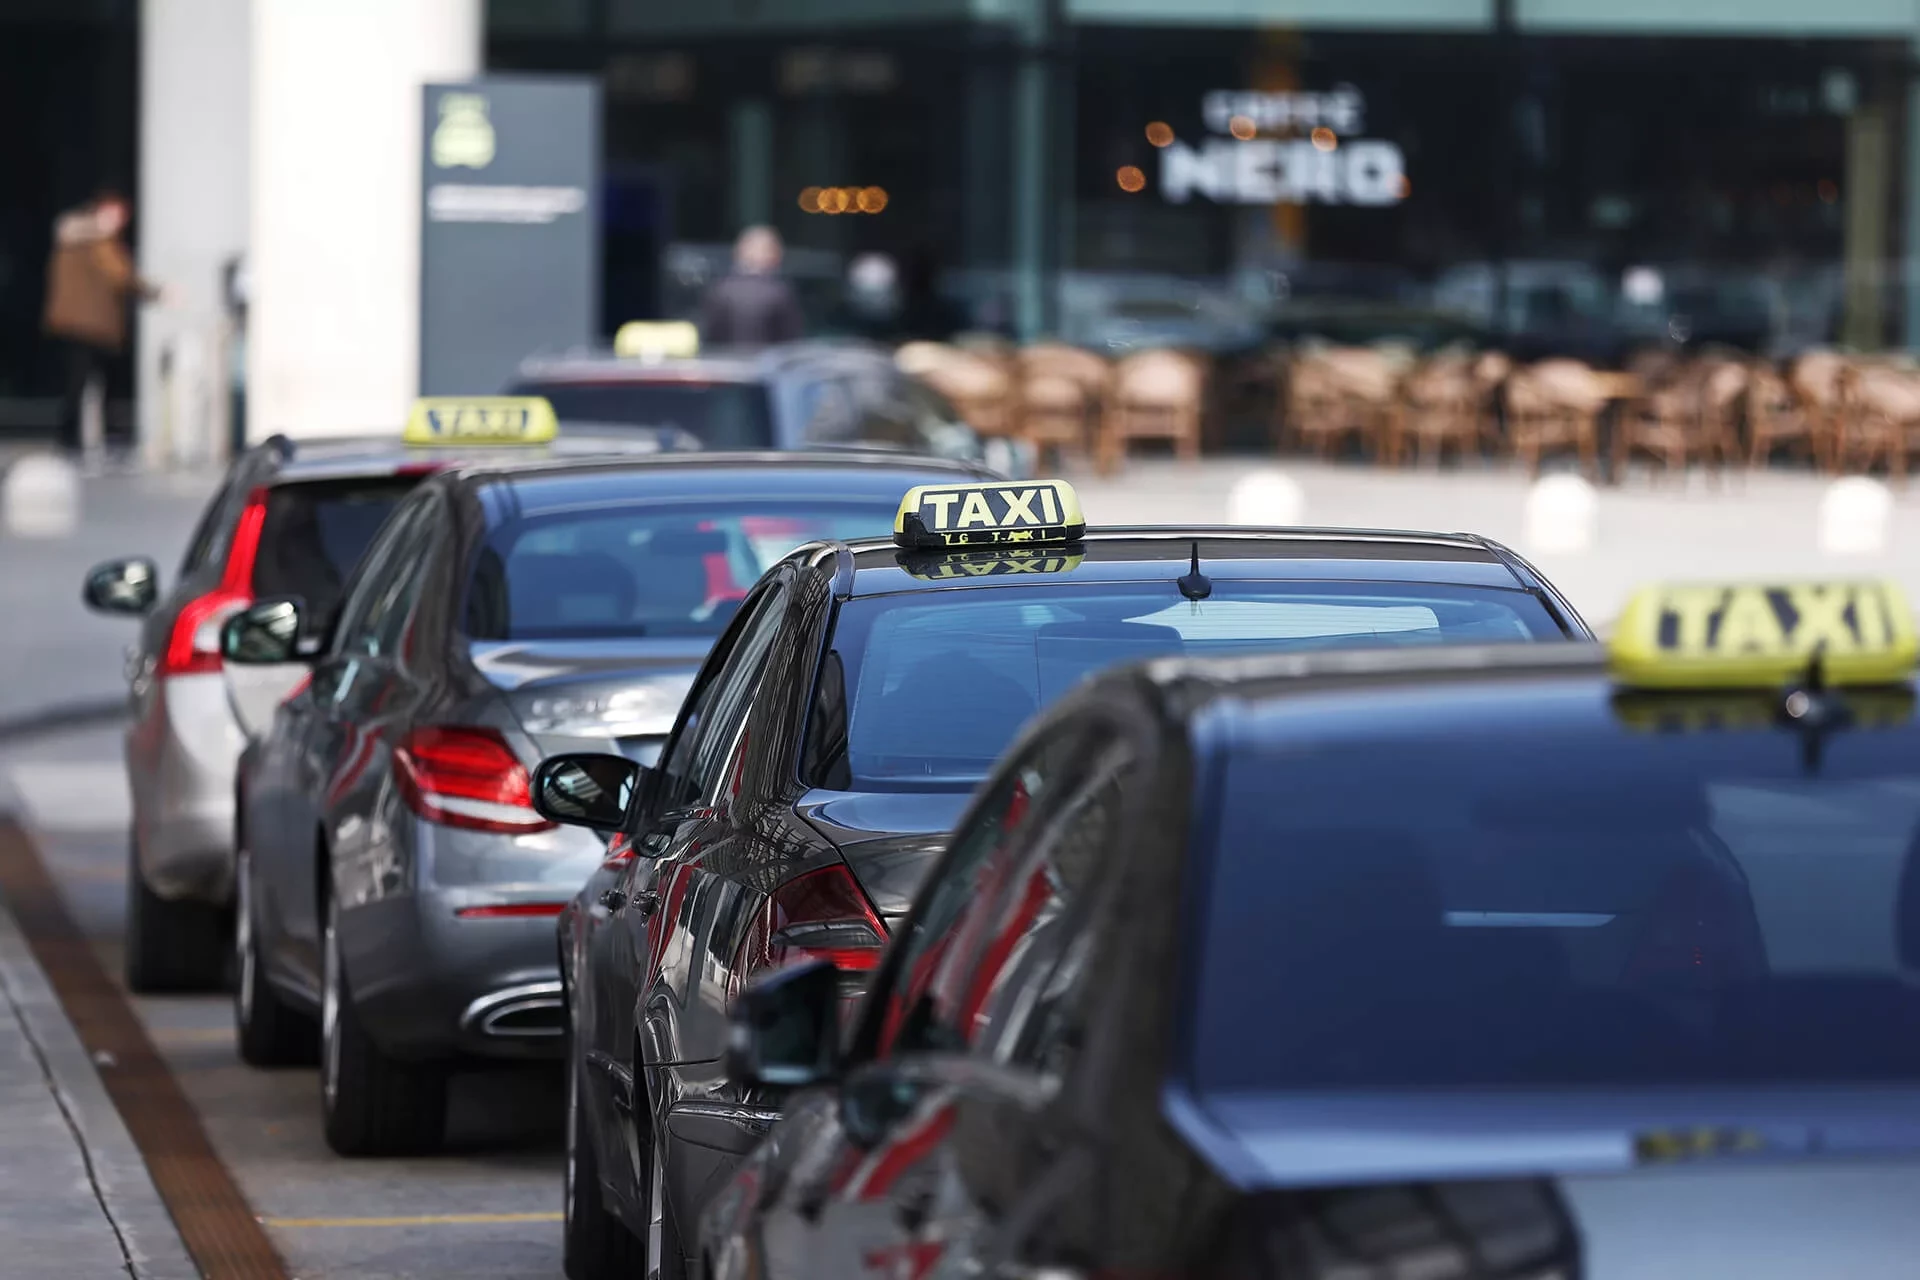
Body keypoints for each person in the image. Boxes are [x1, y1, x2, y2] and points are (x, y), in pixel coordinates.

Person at [42, 191, 161, 459]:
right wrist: (158, 292)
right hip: (92, 326)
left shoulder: (72, 238)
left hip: (78, 324)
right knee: (92, 383)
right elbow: (122, 276)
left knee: (79, 383)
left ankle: (73, 438)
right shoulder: (101, 242)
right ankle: (92, 438)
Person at [696, 225, 805, 348]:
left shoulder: (720, 289)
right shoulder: (780, 293)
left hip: (724, 363)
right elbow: (791, 342)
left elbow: (707, 336)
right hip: (767, 365)